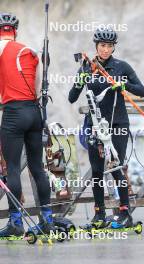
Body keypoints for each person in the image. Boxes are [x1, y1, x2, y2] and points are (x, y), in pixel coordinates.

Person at [69, 27, 144, 228]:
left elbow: (142, 91)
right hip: (96, 126)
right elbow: (71, 97)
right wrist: (80, 82)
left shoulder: (122, 67)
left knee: (116, 168)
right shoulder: (87, 67)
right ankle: (99, 214)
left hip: (118, 124)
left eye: (110, 46)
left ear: (113, 48)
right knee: (96, 171)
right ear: (96, 46)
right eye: (103, 45)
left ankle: (125, 212)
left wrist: (124, 85)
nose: (106, 50)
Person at [0, 12, 55, 236]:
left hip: (13, 113)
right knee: (37, 168)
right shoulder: (30, 51)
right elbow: (39, 87)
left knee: (12, 168)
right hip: (34, 112)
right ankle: (47, 220)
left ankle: (15, 223)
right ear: (15, 32)